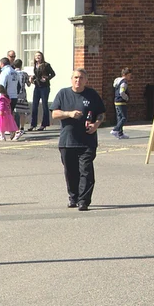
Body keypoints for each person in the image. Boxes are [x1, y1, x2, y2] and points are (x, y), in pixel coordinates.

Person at [51, 67, 104, 210]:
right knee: (70, 171)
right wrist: (69, 114)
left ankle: (83, 201)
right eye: (75, 77)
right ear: (71, 80)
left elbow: (101, 113)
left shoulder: (92, 94)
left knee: (86, 170)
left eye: (81, 78)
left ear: (86, 80)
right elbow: (54, 114)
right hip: (67, 141)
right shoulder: (63, 93)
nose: (78, 80)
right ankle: (73, 197)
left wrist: (96, 124)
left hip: (87, 140)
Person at [29, 53, 56, 130]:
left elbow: (53, 74)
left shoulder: (46, 65)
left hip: (45, 87)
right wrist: (32, 77)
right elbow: (37, 75)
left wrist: (46, 78)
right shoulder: (35, 65)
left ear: (42, 57)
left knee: (44, 105)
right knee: (34, 105)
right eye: (36, 56)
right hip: (37, 86)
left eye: (39, 56)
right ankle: (33, 124)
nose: (37, 57)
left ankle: (44, 124)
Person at [0, 55, 27, 129]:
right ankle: (14, 128)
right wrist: (16, 94)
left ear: (2, 64)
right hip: (14, 96)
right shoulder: (14, 72)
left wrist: (0, 97)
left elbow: (2, 86)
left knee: (5, 114)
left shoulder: (5, 72)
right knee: (11, 113)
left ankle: (11, 129)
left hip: (6, 96)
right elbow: (19, 85)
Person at [111, 68, 131, 138]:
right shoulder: (123, 83)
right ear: (125, 75)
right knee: (124, 117)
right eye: (129, 75)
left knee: (119, 117)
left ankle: (120, 133)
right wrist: (126, 98)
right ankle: (115, 130)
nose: (130, 77)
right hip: (121, 102)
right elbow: (121, 92)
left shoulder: (117, 81)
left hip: (116, 101)